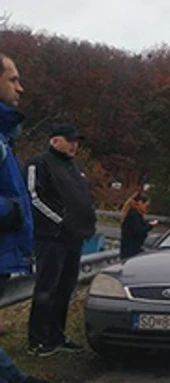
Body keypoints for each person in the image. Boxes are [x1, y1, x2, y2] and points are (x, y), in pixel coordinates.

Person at [0, 53, 49, 383]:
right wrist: (12, 213)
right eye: (13, 78)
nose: (21, 86)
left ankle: (11, 378)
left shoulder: (4, 137)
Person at [26, 124, 97, 357]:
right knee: (47, 288)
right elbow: (34, 196)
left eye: (77, 141)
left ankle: (57, 336)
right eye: (71, 140)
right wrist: (61, 221)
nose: (75, 145)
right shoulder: (40, 163)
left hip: (74, 238)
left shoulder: (74, 167)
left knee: (65, 288)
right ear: (55, 141)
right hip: (51, 238)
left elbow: (82, 198)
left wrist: (87, 222)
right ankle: (38, 340)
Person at [119, 191, 159, 259]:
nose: (146, 208)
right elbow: (138, 231)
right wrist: (150, 226)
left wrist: (148, 224)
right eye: (146, 205)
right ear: (140, 202)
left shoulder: (134, 214)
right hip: (131, 250)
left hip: (129, 249)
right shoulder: (134, 215)